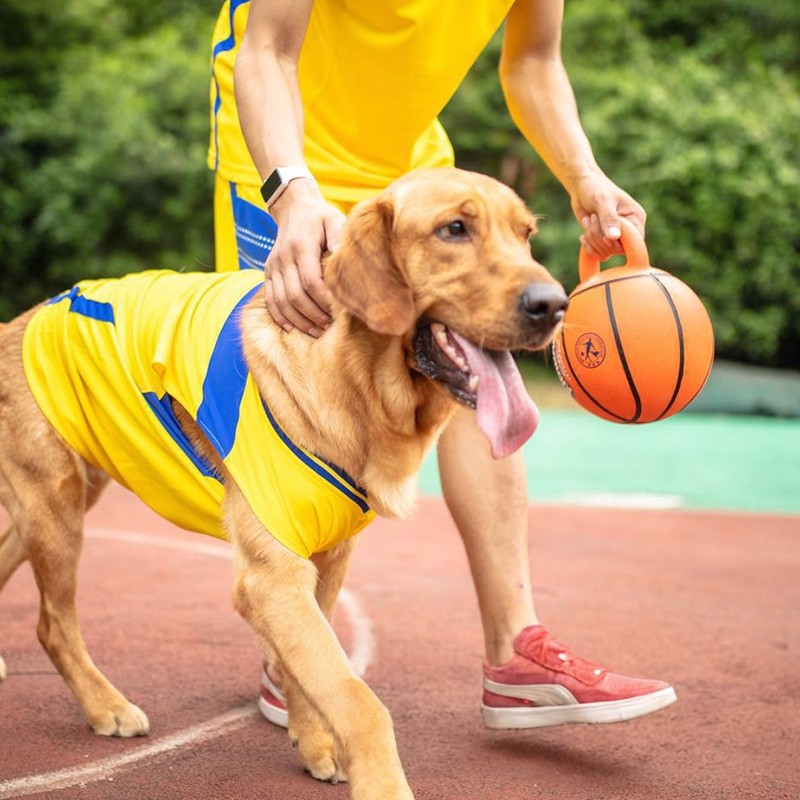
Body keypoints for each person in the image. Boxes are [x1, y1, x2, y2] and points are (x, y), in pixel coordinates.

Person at [208, 0, 677, 731]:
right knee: (304, 404)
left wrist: (583, 174)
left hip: (416, 169)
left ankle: (515, 653)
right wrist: (291, 195)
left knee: (470, 354)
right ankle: (292, 654)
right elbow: (266, 50)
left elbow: (534, 61)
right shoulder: (287, 175)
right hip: (283, 155)